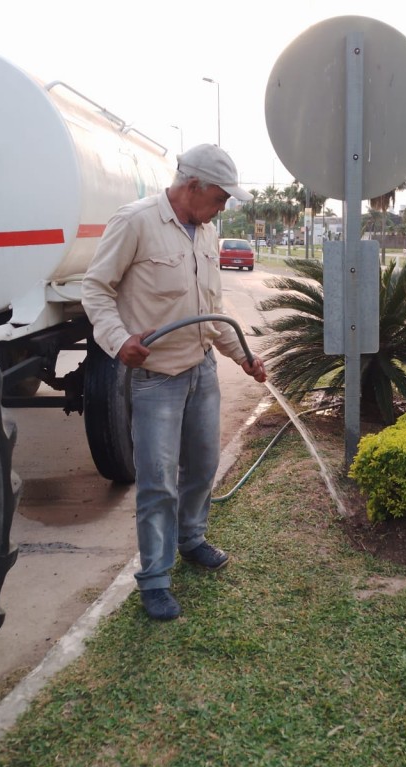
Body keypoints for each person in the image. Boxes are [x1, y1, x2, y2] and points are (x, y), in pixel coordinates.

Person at [82, 143, 267, 621]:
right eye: (220, 197)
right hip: (156, 378)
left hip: (201, 370)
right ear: (194, 186)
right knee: (158, 482)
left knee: (203, 466)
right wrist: (118, 340)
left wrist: (243, 356)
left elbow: (211, 311)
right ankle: (156, 578)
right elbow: (95, 289)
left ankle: (192, 538)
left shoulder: (206, 232)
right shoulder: (135, 222)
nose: (223, 206)